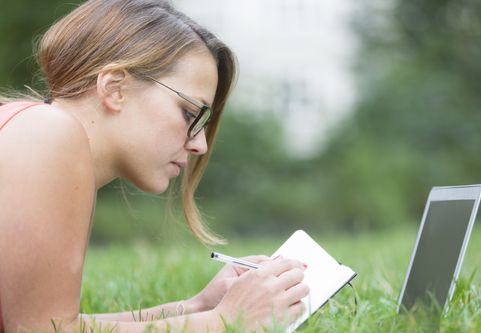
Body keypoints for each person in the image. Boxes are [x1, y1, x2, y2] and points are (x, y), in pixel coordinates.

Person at [0, 0, 309, 332]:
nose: (200, 144)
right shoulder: (48, 133)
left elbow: (53, 323)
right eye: (190, 114)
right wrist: (225, 321)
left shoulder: (36, 134)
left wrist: (196, 307)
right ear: (115, 87)